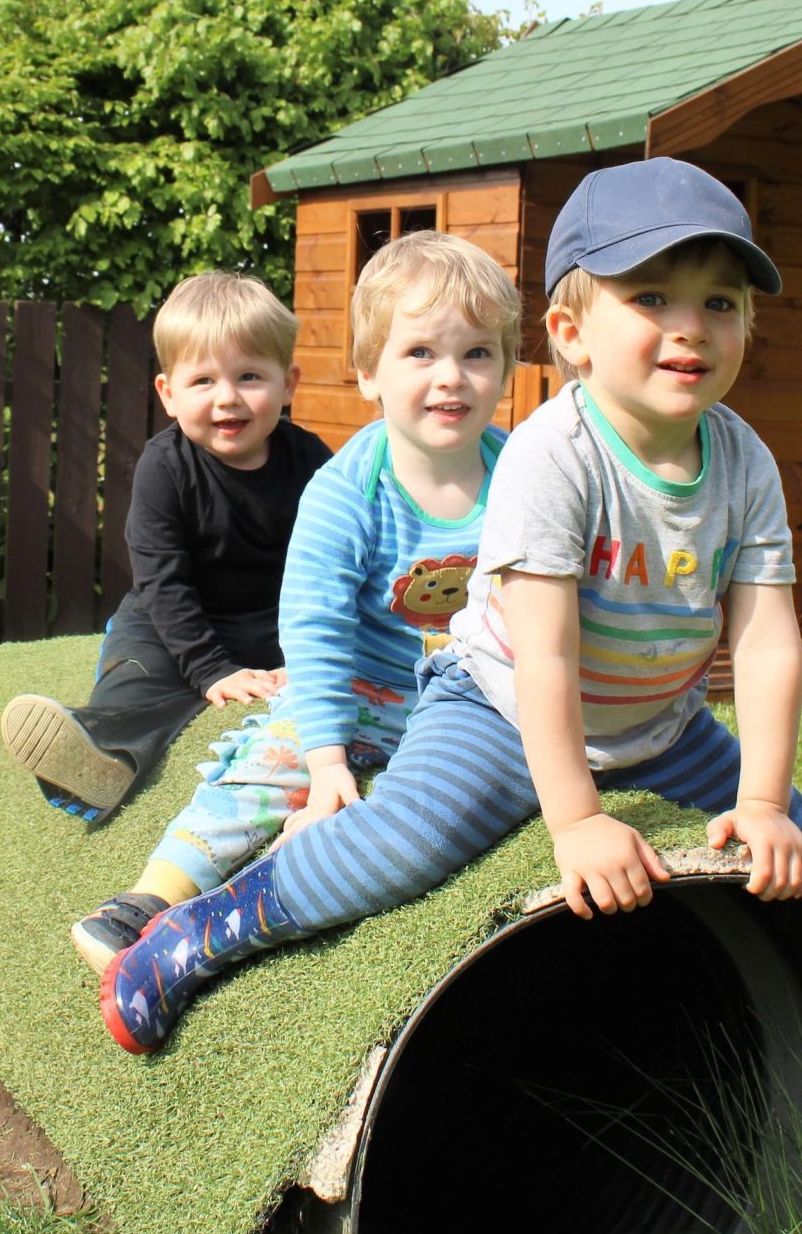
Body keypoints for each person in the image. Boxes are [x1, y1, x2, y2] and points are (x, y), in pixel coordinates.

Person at [102, 157, 802, 1054]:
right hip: (498, 706)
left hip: (660, 719)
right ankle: (200, 931)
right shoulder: (552, 457)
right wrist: (575, 821)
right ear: (572, 332)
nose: (690, 327)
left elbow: (767, 641)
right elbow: (546, 657)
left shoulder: (744, 460)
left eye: (720, 302)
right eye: (651, 299)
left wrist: (762, 802)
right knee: (400, 847)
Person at [69, 230, 521, 973]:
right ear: (367, 373)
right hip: (355, 684)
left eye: (477, 353)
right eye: (421, 354)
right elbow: (315, 625)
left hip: (470, 698)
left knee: (437, 804)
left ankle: (292, 867)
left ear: (504, 367)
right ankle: (151, 896)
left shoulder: (519, 475)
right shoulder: (347, 487)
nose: (452, 378)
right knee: (265, 766)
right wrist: (327, 753)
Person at [0, 272, 330, 833]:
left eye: (250, 375)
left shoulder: (312, 462)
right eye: (203, 380)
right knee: (141, 681)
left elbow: (335, 562)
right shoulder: (165, 468)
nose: (228, 397)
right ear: (168, 394)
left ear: (288, 383)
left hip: (272, 621)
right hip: (166, 620)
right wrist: (211, 670)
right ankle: (99, 751)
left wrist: (310, 652)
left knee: (337, 666)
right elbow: (162, 580)